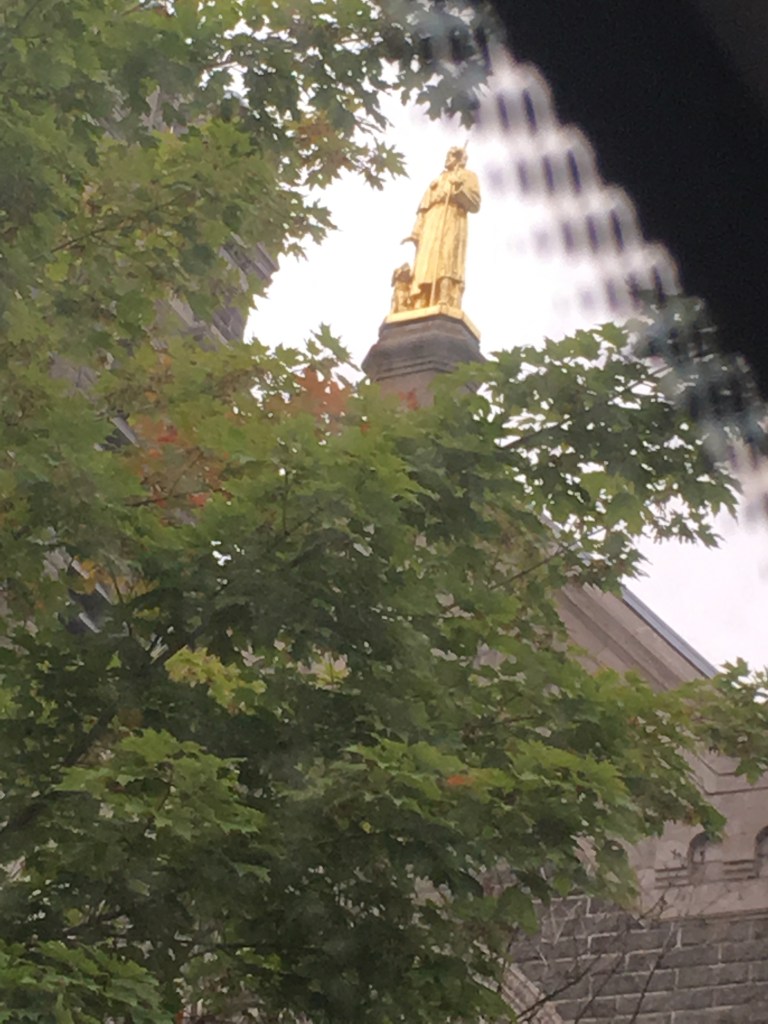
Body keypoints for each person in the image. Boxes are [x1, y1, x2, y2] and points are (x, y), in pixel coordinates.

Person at [402, 146, 481, 310]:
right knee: (426, 262)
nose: (447, 159)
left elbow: (475, 204)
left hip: (452, 216)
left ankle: (444, 297)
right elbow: (423, 207)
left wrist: (459, 188)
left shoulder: (468, 176)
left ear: (459, 158)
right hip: (431, 221)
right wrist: (416, 230)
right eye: (447, 155)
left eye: (451, 156)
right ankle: (421, 299)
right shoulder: (437, 180)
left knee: (447, 257)